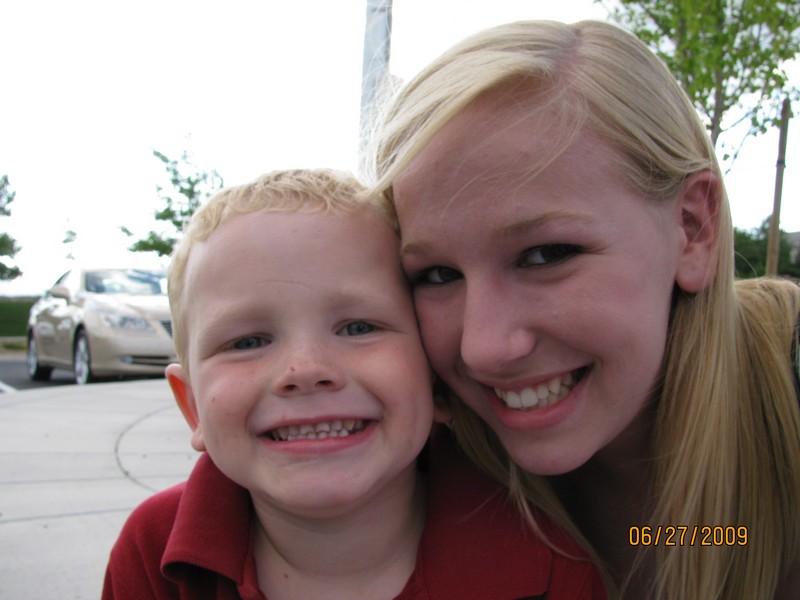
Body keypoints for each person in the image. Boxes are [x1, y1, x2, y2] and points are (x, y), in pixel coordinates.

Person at [370, 19, 800, 600]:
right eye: (438, 275)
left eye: (546, 255)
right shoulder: (406, 438)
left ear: (693, 229)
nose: (485, 347)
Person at [101, 168, 607, 599]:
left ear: (435, 380)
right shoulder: (153, 554)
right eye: (248, 342)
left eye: (359, 328)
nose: (304, 370)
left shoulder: (550, 562)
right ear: (192, 407)